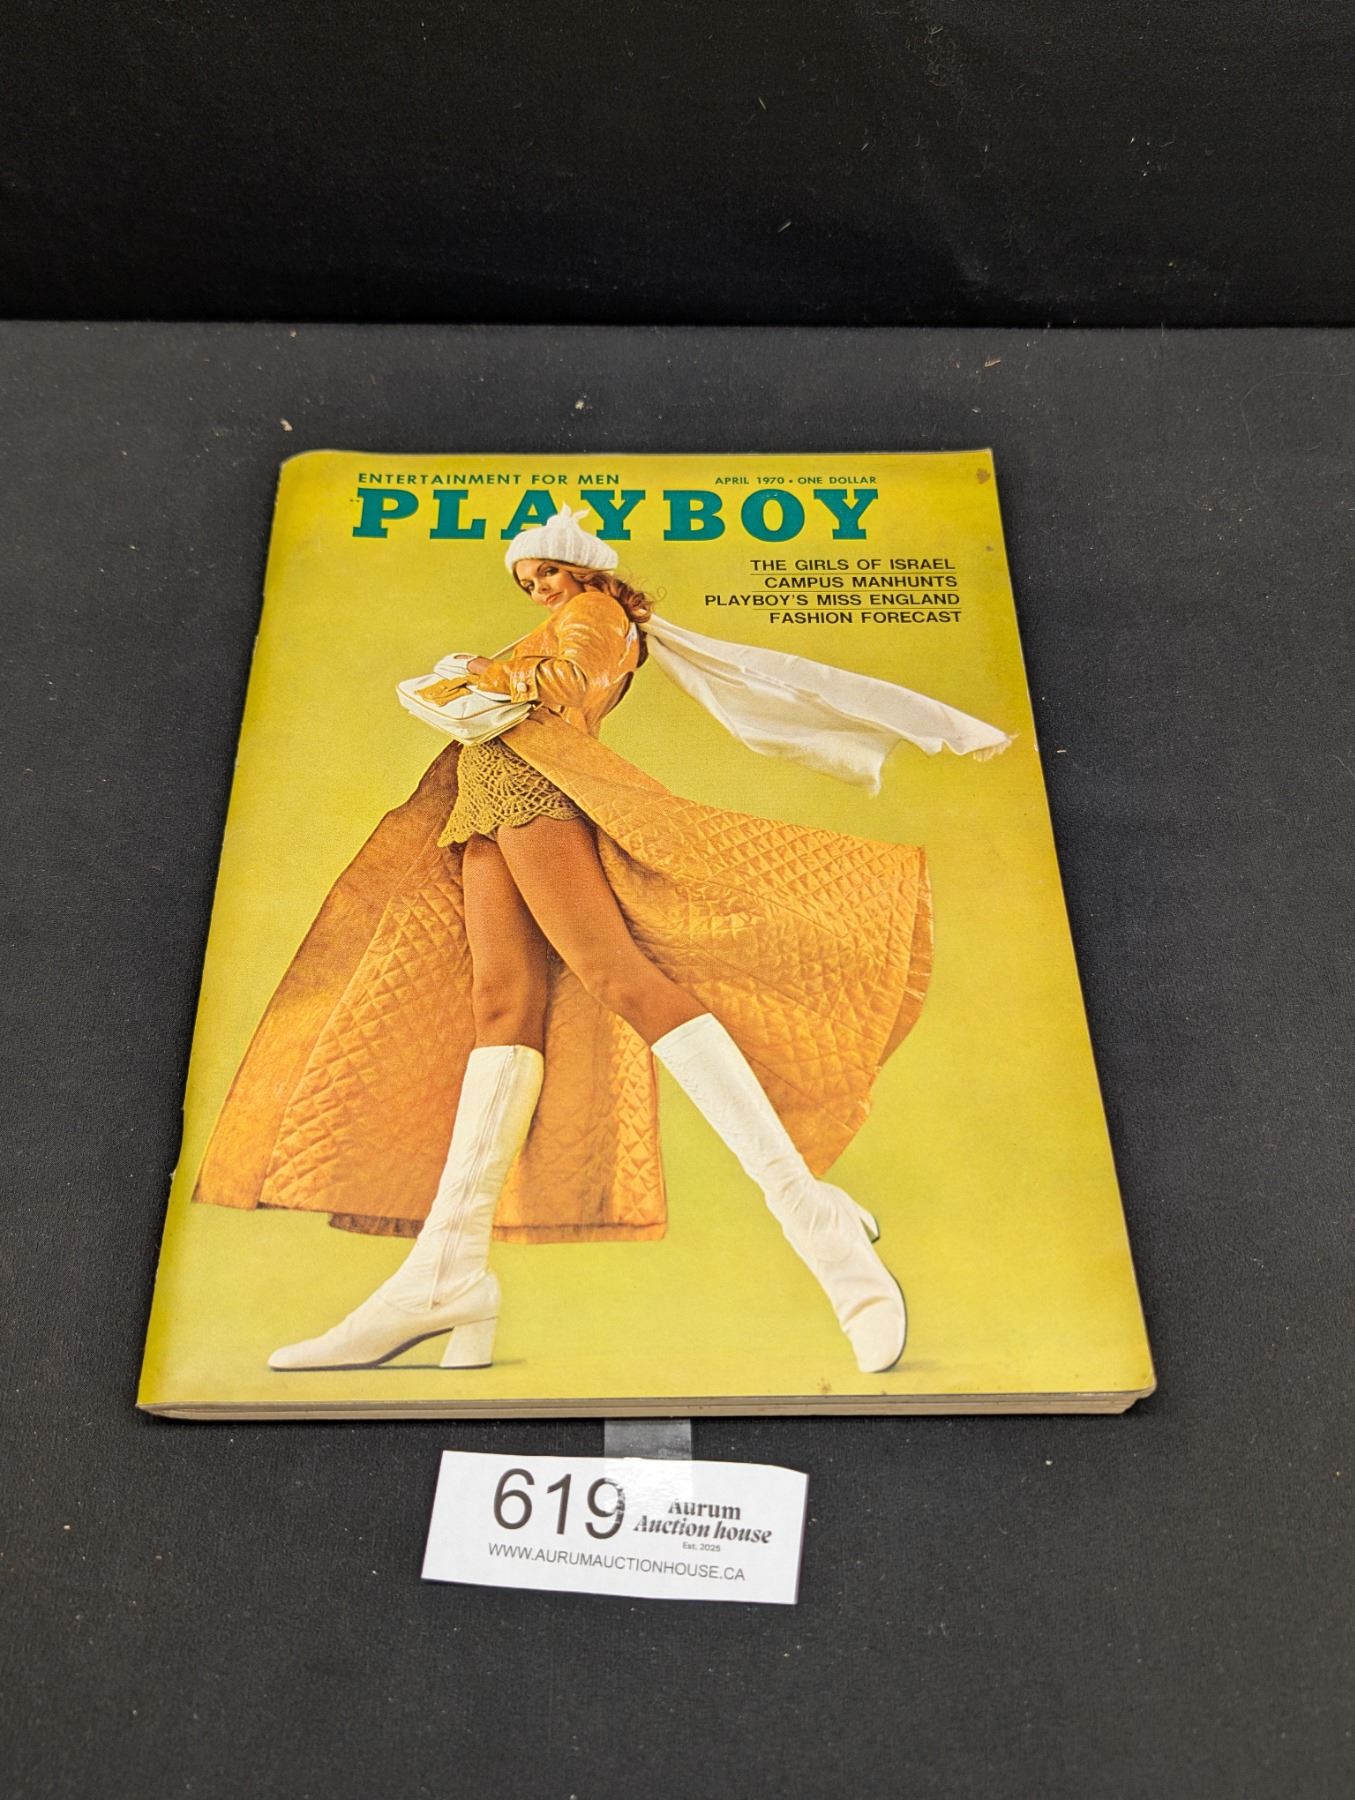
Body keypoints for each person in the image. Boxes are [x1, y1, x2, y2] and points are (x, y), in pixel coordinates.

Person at [197, 504, 1010, 1378]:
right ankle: (444, 1276)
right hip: (485, 799)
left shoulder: (598, 614)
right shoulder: (563, 616)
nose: (539, 588)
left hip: (537, 794)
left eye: (547, 570)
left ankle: (812, 1217)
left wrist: (474, 671)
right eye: (528, 580)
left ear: (585, 568)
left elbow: (564, 686)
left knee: (618, 977)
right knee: (500, 1005)